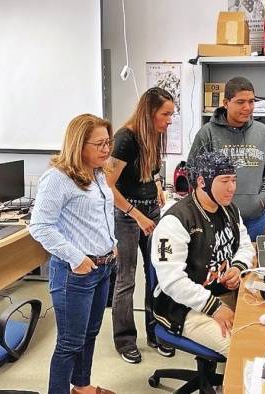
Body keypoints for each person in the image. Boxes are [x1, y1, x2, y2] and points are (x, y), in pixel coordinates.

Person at [29, 114, 116, 394]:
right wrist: (77, 258)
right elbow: (40, 226)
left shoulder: (98, 173)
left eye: (108, 142)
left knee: (89, 335)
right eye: (99, 143)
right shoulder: (58, 179)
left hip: (102, 267)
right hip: (74, 273)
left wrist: (111, 242)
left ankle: (82, 386)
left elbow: (99, 215)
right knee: (69, 343)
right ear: (79, 144)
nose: (106, 149)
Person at [151, 150, 255, 358]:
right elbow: (172, 282)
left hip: (223, 294)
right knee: (241, 350)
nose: (232, 188)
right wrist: (214, 308)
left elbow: (246, 246)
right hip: (184, 306)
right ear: (202, 181)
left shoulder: (229, 210)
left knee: (261, 332)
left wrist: (238, 267)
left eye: (234, 180)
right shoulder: (177, 220)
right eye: (225, 181)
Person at [107, 87, 175, 364]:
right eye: (165, 114)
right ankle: (125, 340)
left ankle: (156, 332)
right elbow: (107, 185)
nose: (169, 120)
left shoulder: (153, 134)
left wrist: (157, 186)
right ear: (149, 113)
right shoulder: (125, 139)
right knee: (126, 278)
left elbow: (153, 167)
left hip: (151, 211)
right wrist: (137, 214)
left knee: (157, 274)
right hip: (127, 215)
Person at [188, 76, 265, 241]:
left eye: (251, 101)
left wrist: (263, 198)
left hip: (254, 219)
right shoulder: (207, 133)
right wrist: (210, 201)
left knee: (251, 263)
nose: (247, 107)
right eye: (240, 102)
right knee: (220, 265)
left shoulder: (264, 133)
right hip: (217, 219)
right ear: (226, 103)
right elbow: (193, 172)